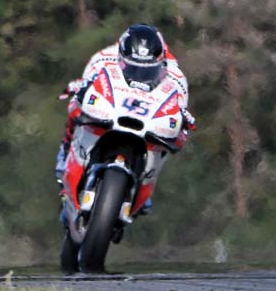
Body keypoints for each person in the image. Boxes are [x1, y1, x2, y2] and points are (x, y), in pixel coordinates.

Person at [55, 24, 195, 210]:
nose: (139, 74)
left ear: (160, 63)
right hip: (113, 110)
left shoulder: (175, 74)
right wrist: (78, 87)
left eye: (147, 70)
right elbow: (89, 80)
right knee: (76, 106)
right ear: (121, 55)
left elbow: (178, 105)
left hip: (147, 121)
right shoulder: (105, 57)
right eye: (132, 67)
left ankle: (146, 183)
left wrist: (184, 119)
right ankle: (65, 152)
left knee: (171, 139)